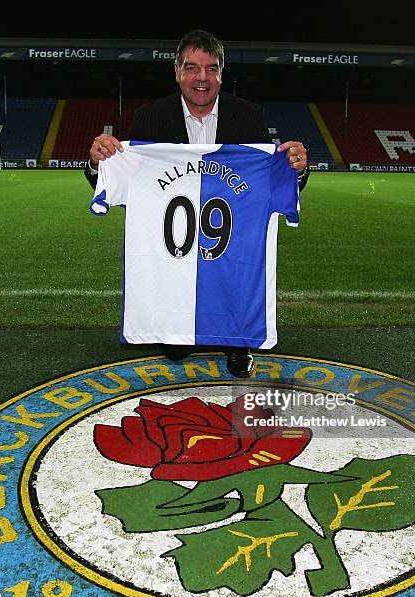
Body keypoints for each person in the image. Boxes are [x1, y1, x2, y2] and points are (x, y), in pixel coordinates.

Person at [84, 29, 309, 378]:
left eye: (211, 68)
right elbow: (131, 181)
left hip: (229, 233)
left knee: (235, 272)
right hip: (174, 237)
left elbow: (268, 182)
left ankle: (238, 343)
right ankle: (177, 329)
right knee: (175, 337)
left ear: (222, 74)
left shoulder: (248, 116)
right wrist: (99, 164)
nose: (201, 78)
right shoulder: (150, 118)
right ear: (177, 71)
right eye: (192, 68)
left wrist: (295, 170)